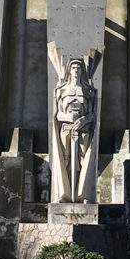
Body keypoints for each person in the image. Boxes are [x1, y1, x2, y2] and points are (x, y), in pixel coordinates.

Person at [54, 59, 95, 202]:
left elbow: (92, 114)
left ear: (82, 72)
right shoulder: (62, 90)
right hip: (66, 128)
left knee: (83, 159)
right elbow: (57, 114)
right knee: (65, 159)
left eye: (78, 68)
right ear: (70, 71)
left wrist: (84, 120)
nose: (76, 70)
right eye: (74, 68)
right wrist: (68, 116)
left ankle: (83, 194)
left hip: (83, 129)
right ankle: (64, 194)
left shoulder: (87, 91)